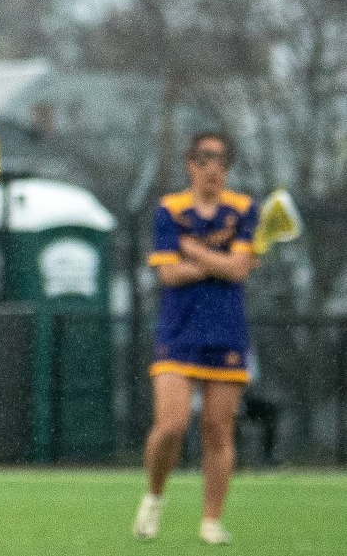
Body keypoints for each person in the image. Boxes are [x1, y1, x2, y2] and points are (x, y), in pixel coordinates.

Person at [132, 131, 258, 546]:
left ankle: (211, 521)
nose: (212, 167)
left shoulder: (243, 210)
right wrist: (221, 261)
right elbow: (168, 275)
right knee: (171, 426)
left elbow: (239, 272)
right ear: (189, 163)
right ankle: (153, 497)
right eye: (203, 158)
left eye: (221, 160)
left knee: (218, 430)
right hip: (178, 330)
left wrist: (197, 253)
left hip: (226, 332)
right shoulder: (170, 210)